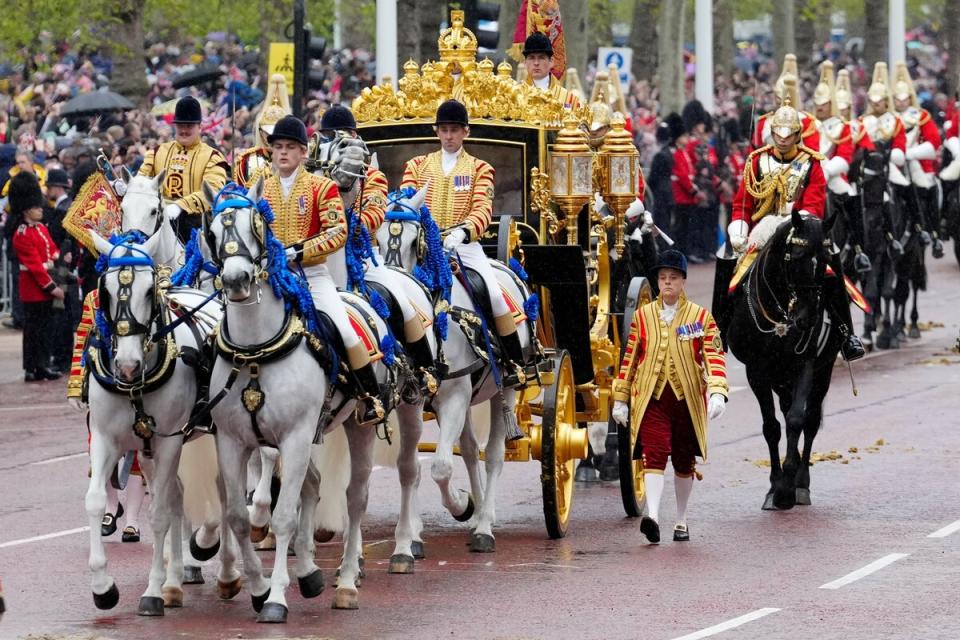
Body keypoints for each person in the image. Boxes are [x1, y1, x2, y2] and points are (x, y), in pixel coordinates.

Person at [252, 115, 384, 423]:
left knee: (346, 331)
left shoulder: (321, 187)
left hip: (312, 277)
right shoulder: (258, 189)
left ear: (303, 153)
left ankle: (369, 396)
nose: (283, 153)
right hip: (269, 279)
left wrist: (296, 252)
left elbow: (337, 232)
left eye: (290, 147)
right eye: (278, 147)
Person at [726, 96, 865, 362]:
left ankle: (846, 333)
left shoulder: (812, 163)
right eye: (777, 134)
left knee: (832, 267)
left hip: (801, 230)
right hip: (759, 232)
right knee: (727, 266)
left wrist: (789, 223)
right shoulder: (756, 161)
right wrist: (738, 229)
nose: (782, 139)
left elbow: (813, 206)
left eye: (788, 135)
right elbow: (742, 203)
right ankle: (721, 326)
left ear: (798, 135)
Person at [311, 104, 437, 390]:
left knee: (404, 304)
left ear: (354, 135)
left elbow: (376, 213)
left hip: (363, 256)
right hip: (316, 256)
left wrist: (349, 222)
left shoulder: (373, 175)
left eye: (341, 134)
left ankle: (423, 370)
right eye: (328, 135)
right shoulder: (313, 172)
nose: (335, 140)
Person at [399, 100, 526, 379]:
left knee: (494, 294)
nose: (448, 136)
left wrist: (462, 232)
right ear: (436, 131)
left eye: (454, 130)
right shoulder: (417, 166)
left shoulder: (480, 168)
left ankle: (514, 362)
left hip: (464, 247)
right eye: (443, 130)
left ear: (465, 132)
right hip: (423, 247)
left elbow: (483, 208)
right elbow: (406, 203)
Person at [611, 250, 728, 543]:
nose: (667, 283)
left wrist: (717, 391)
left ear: (683, 281)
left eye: (673, 278)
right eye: (663, 278)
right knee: (655, 452)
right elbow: (630, 359)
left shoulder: (701, 317)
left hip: (686, 399)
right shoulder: (642, 316)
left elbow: (713, 355)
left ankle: (680, 519)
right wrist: (621, 397)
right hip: (652, 397)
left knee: (684, 460)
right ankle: (651, 515)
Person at [137, 96, 229, 243]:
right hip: (156, 224)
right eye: (180, 125)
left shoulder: (213, 157)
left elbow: (212, 192)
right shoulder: (156, 152)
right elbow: (142, 181)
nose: (184, 130)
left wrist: (180, 206)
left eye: (189, 126)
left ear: (199, 126)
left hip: (197, 227)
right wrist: (128, 186)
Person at [9, 172, 64, 381]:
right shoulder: (22, 234)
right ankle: (31, 368)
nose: (41, 209)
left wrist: (63, 260)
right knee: (33, 332)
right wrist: (53, 287)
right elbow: (35, 267)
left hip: (45, 285)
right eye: (37, 207)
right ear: (26, 210)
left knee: (45, 330)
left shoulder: (40, 229)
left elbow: (52, 250)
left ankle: (42, 364)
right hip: (34, 290)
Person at [891, 61, 944, 257]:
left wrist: (910, 154)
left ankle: (932, 231)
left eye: (904, 99)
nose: (900, 102)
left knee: (927, 188)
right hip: (892, 161)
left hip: (915, 160)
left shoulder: (921, 116)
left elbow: (934, 141)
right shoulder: (887, 117)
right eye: (896, 99)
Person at [750, 54, 819, 152]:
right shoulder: (763, 122)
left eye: (780, 99)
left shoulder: (806, 122)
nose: (778, 102)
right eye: (776, 98)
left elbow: (812, 153)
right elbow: (754, 154)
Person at [233, 74, 291, 187]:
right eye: (267, 132)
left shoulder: (295, 159)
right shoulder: (246, 160)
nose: (271, 137)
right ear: (260, 131)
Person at [521, 32, 580, 110]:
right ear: (525, 62)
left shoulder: (569, 100)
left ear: (551, 62)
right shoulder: (515, 95)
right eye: (531, 58)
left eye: (541, 58)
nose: (536, 63)